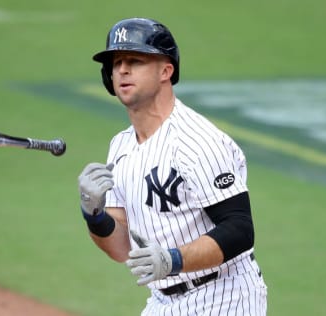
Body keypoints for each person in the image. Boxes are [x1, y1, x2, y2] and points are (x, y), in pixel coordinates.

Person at [78, 17, 267, 315]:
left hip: (225, 297)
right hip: (163, 301)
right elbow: (121, 249)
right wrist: (94, 214)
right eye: (116, 63)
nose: (123, 70)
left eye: (135, 60)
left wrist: (172, 260)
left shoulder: (197, 141)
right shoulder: (121, 146)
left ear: (166, 71)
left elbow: (240, 229)